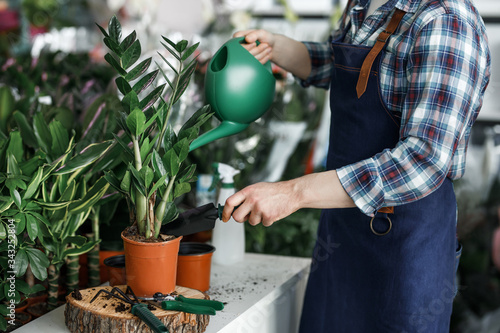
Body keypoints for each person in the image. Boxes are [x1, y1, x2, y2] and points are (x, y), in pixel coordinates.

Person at [221, 0, 491, 331]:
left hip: (404, 250)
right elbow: (340, 67)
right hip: (342, 233)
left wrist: (294, 192)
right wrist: (279, 48)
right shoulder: (364, 2)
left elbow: (424, 160)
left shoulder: (445, 20)